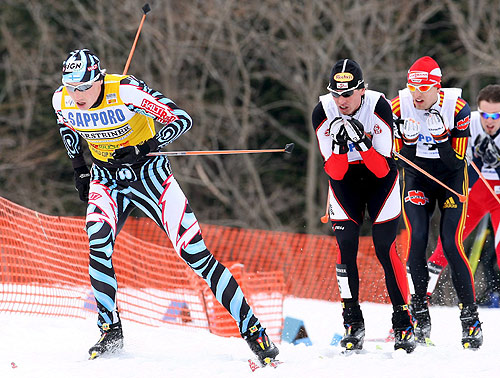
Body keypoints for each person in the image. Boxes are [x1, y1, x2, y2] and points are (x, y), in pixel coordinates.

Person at [52, 49, 279, 363]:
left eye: (83, 87)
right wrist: (79, 168)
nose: (76, 95)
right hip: (106, 178)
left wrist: (146, 146)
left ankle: (254, 331)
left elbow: (181, 119)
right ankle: (109, 329)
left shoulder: (126, 91)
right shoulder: (61, 99)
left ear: (99, 79)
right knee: (97, 240)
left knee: (195, 255)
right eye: (70, 87)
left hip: (151, 177)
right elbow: (67, 126)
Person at [312, 59, 415, 353]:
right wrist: (341, 148)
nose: (341, 101)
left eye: (348, 94)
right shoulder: (322, 111)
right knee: (346, 247)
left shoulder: (379, 106)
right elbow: (335, 172)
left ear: (362, 90)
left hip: (379, 179)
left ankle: (403, 321)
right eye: (336, 94)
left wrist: (364, 143)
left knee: (385, 247)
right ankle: (352, 322)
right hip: (345, 180)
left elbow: (382, 169)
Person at [391, 56, 483, 349]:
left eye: (425, 88)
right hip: (418, 177)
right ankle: (419, 312)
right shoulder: (398, 106)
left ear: (437, 87)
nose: (417, 94)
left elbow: (456, 164)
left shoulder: (457, 108)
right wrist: (405, 144)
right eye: (412, 87)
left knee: (450, 243)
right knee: (417, 238)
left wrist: (442, 138)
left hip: (450, 179)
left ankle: (470, 319)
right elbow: (396, 160)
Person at [426, 84, 500, 306]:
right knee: (445, 247)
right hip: (473, 193)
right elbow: (455, 163)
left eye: (496, 115)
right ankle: (415, 309)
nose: (490, 121)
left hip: (498, 196)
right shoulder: (469, 123)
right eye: (485, 114)